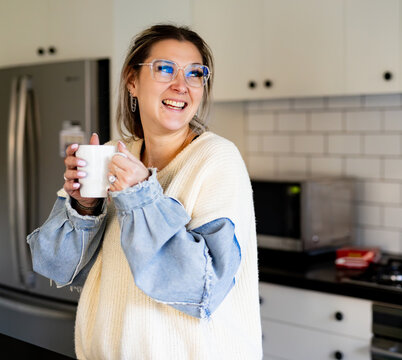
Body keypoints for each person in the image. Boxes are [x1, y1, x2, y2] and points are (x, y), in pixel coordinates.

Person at [26, 24, 262, 359]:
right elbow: (54, 265)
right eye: (165, 68)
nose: (181, 85)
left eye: (195, 73)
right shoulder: (111, 155)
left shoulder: (217, 159)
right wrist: (85, 206)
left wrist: (140, 197)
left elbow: (201, 289)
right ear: (132, 81)